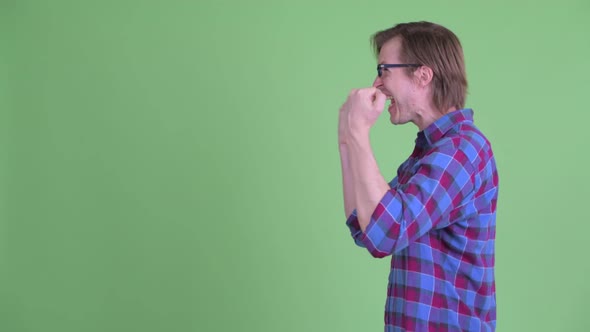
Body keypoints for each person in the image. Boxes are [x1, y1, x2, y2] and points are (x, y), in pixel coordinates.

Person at [338, 21, 499, 331]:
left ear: (423, 75)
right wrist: (347, 139)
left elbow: (386, 233)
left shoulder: (462, 150)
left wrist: (359, 133)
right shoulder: (428, 154)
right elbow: (366, 228)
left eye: (385, 69)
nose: (377, 83)